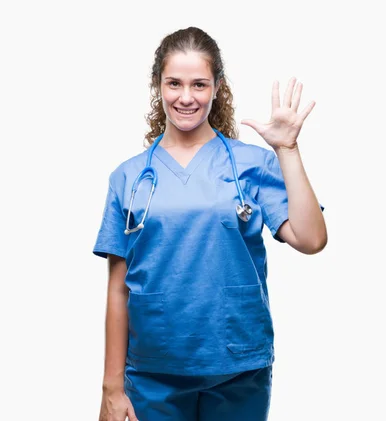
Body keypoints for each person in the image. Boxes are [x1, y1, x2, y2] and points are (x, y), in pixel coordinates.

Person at [94, 26, 327, 421]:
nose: (187, 97)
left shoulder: (251, 164)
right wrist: (111, 387)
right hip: (153, 370)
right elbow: (119, 288)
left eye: (199, 84)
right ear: (158, 86)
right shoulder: (129, 177)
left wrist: (287, 149)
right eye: (175, 84)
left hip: (238, 365)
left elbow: (311, 238)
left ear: (217, 86)